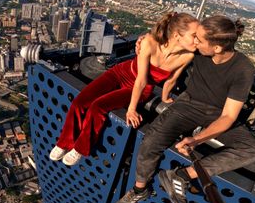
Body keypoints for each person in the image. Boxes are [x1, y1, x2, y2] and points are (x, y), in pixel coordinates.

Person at [112, 15, 255, 203]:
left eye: (199, 40)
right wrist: (145, 39)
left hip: (218, 114)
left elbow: (228, 116)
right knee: (152, 140)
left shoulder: (242, 68)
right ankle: (140, 189)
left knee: (254, 149)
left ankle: (182, 175)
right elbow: (171, 31)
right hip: (189, 104)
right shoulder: (198, 50)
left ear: (216, 48)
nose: (194, 41)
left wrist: (197, 140)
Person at [49, 12, 199, 166]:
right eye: (194, 35)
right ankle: (64, 142)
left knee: (98, 107)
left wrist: (165, 98)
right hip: (120, 73)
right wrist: (132, 110)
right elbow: (141, 78)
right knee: (80, 101)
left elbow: (171, 80)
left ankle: (80, 148)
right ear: (177, 35)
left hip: (142, 89)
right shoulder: (150, 42)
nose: (197, 39)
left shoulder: (187, 56)